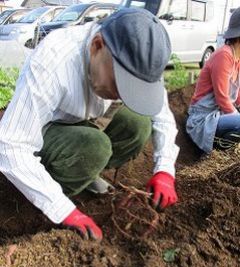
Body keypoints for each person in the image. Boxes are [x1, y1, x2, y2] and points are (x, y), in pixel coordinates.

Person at [0, 8, 179, 241]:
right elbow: (11, 144)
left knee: (138, 124)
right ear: (96, 46)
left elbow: (162, 115)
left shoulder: (139, 61)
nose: (123, 97)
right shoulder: (54, 60)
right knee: (95, 147)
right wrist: (63, 210)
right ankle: (47, 192)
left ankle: (84, 173)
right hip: (45, 130)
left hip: (86, 122)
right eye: (120, 84)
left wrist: (165, 170)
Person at [186, 7, 240, 153]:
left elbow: (238, 96)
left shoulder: (237, 59)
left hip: (221, 114)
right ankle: (212, 153)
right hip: (204, 117)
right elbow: (222, 97)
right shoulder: (224, 55)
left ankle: (222, 151)